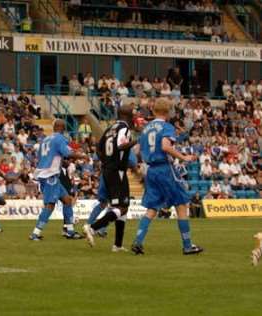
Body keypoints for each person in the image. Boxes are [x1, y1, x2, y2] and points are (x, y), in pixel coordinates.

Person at [131, 98, 203, 255]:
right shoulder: (167, 127)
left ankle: (138, 241)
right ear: (167, 112)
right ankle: (187, 245)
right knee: (181, 204)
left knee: (152, 208)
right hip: (165, 169)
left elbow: (137, 150)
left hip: (150, 170)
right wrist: (184, 157)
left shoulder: (146, 129)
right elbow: (165, 146)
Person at [83, 105, 136, 251]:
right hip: (117, 170)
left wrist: (106, 162)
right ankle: (93, 227)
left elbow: (98, 149)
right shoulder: (124, 129)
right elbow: (121, 146)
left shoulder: (109, 129)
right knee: (123, 207)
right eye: (132, 115)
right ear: (128, 116)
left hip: (108, 170)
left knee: (120, 207)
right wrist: (137, 141)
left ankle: (117, 245)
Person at [29, 119, 87, 241]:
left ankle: (70, 231)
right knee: (50, 205)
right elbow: (68, 153)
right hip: (50, 175)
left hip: (46, 173)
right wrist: (82, 156)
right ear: (63, 128)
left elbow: (42, 156)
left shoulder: (45, 139)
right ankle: (35, 233)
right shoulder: (60, 138)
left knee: (67, 200)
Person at [59, 159, 83, 239]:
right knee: (68, 207)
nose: (69, 162)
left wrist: (71, 192)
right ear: (63, 161)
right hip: (58, 192)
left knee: (67, 207)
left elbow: (67, 183)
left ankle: (66, 229)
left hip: (65, 192)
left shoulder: (65, 170)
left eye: (69, 161)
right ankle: (68, 230)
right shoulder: (58, 171)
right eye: (67, 161)